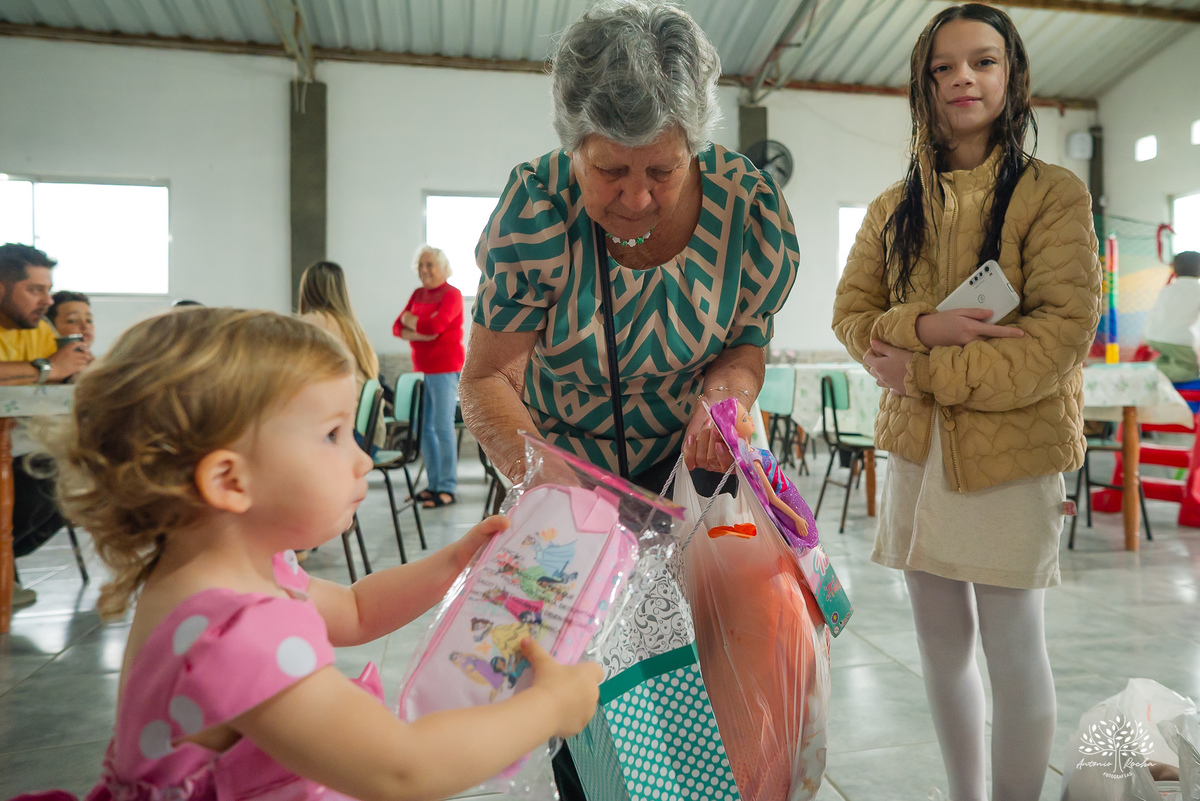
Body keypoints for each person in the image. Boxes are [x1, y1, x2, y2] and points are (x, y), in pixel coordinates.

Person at [29, 308, 601, 800]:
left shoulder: (229, 575)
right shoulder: (235, 634)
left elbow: (355, 609)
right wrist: (549, 707)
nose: (363, 459)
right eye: (332, 435)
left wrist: (455, 563)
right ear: (229, 480)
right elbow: (402, 767)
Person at [460, 2, 799, 797]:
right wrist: (545, 478)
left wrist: (724, 396)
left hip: (690, 487)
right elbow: (488, 378)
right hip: (566, 479)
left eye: (662, 171)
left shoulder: (746, 208)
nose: (638, 199)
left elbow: (745, 342)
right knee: (589, 722)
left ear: (695, 145)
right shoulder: (537, 210)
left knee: (711, 712)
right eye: (610, 170)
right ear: (572, 143)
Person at [832, 5, 1101, 800]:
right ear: (923, 84)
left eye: (983, 62)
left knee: (1014, 647)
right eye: (943, 67)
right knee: (940, 645)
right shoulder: (893, 207)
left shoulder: (1053, 196)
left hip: (1011, 453)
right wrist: (925, 325)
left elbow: (1056, 342)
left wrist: (921, 368)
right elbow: (851, 315)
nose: (963, 79)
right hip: (917, 454)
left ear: (1011, 74)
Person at [0, 244, 93, 609]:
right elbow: (48, 370)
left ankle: (5, 565)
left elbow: (56, 377)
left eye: (48, 289)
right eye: (35, 290)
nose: (47, 300)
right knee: (44, 472)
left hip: (17, 445)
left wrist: (77, 371)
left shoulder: (38, 330)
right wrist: (48, 369)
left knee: (81, 476)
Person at [394, 246, 465, 508]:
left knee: (442, 427)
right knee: (423, 429)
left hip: (445, 368)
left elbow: (437, 325)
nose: (424, 270)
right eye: (421, 265)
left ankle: (447, 487)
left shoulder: (452, 294)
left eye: (430, 265)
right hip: (422, 369)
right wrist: (424, 332)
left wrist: (412, 323)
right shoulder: (418, 294)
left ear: (443, 267)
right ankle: (434, 485)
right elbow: (397, 327)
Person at [298, 261, 384, 450]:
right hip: (370, 436)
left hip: (346, 437)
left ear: (308, 289)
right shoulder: (355, 330)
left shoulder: (312, 324)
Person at [1143, 250, 1200, 382]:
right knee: (1190, 369)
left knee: (1171, 357)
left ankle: (1155, 367)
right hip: (1177, 340)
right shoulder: (1197, 290)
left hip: (1152, 336)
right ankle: (1150, 374)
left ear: (1175, 270)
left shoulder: (1168, 289)